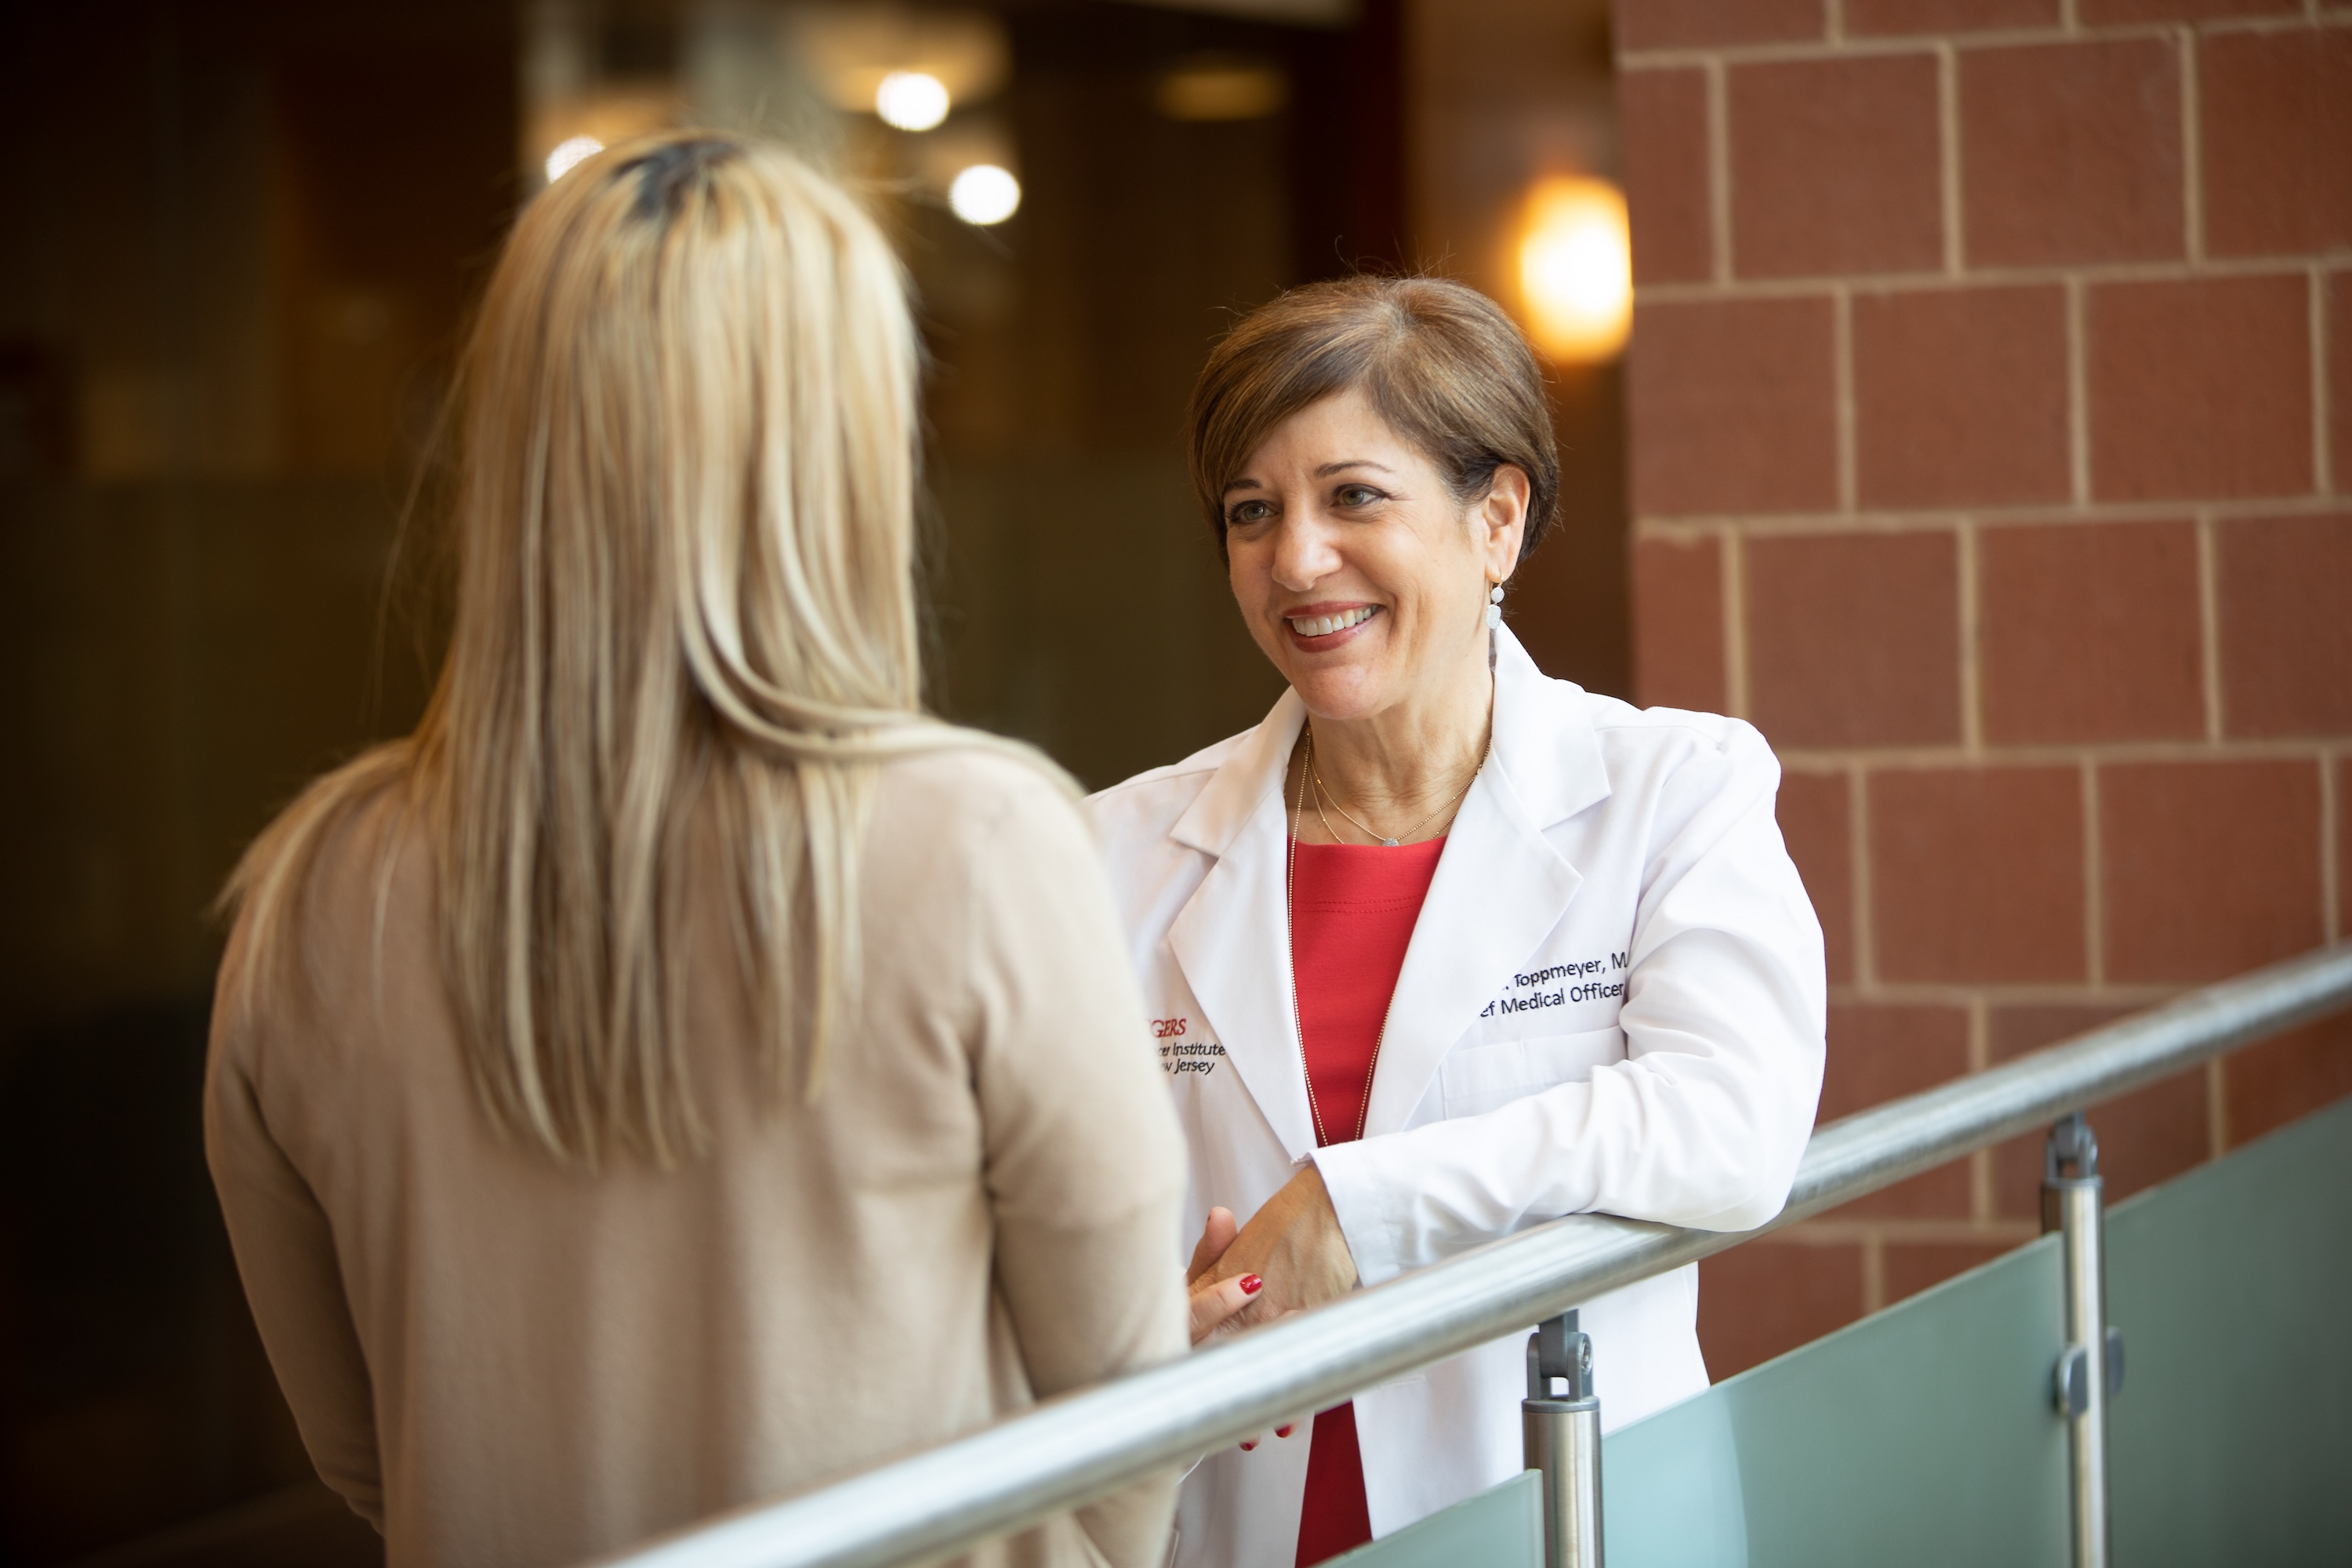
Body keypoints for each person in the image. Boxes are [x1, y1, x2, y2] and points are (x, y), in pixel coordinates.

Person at [204, 132, 1189, 1568]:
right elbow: (1125, 1432)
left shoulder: (305, 896)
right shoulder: (977, 845)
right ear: (842, 445)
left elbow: (370, 1455)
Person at [1087, 276, 1827, 1568]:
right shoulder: (1118, 849)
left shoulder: (1670, 790)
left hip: (1559, 1522)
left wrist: (1352, 1211)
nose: (1296, 559)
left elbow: (1731, 1125)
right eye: (1251, 511)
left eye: (1353, 497)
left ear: (1496, 520)